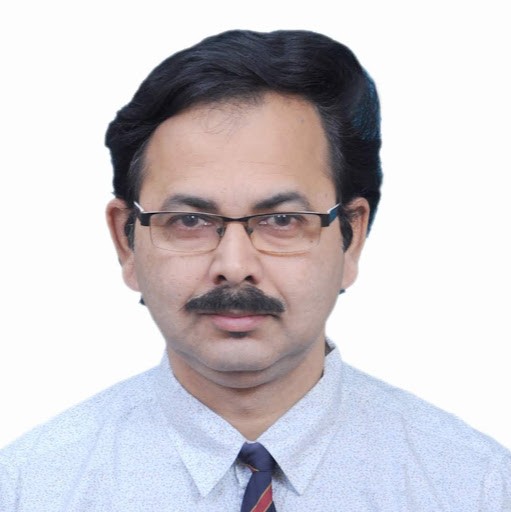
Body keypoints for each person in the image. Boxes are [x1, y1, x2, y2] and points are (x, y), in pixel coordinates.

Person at [1, 29, 509, 511]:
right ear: (126, 242)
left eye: (282, 220)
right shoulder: (30, 488)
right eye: (190, 220)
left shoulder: (475, 486)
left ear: (351, 236)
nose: (234, 267)